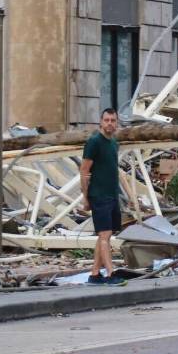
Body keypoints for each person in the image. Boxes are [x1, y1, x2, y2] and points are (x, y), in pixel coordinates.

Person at [80, 108, 125, 285]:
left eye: (113, 120)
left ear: (117, 123)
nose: (109, 124)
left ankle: (95, 273)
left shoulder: (114, 143)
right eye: (106, 120)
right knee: (105, 235)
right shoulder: (94, 142)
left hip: (112, 194)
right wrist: (86, 197)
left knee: (105, 235)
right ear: (101, 122)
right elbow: (84, 171)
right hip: (99, 195)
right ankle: (110, 273)